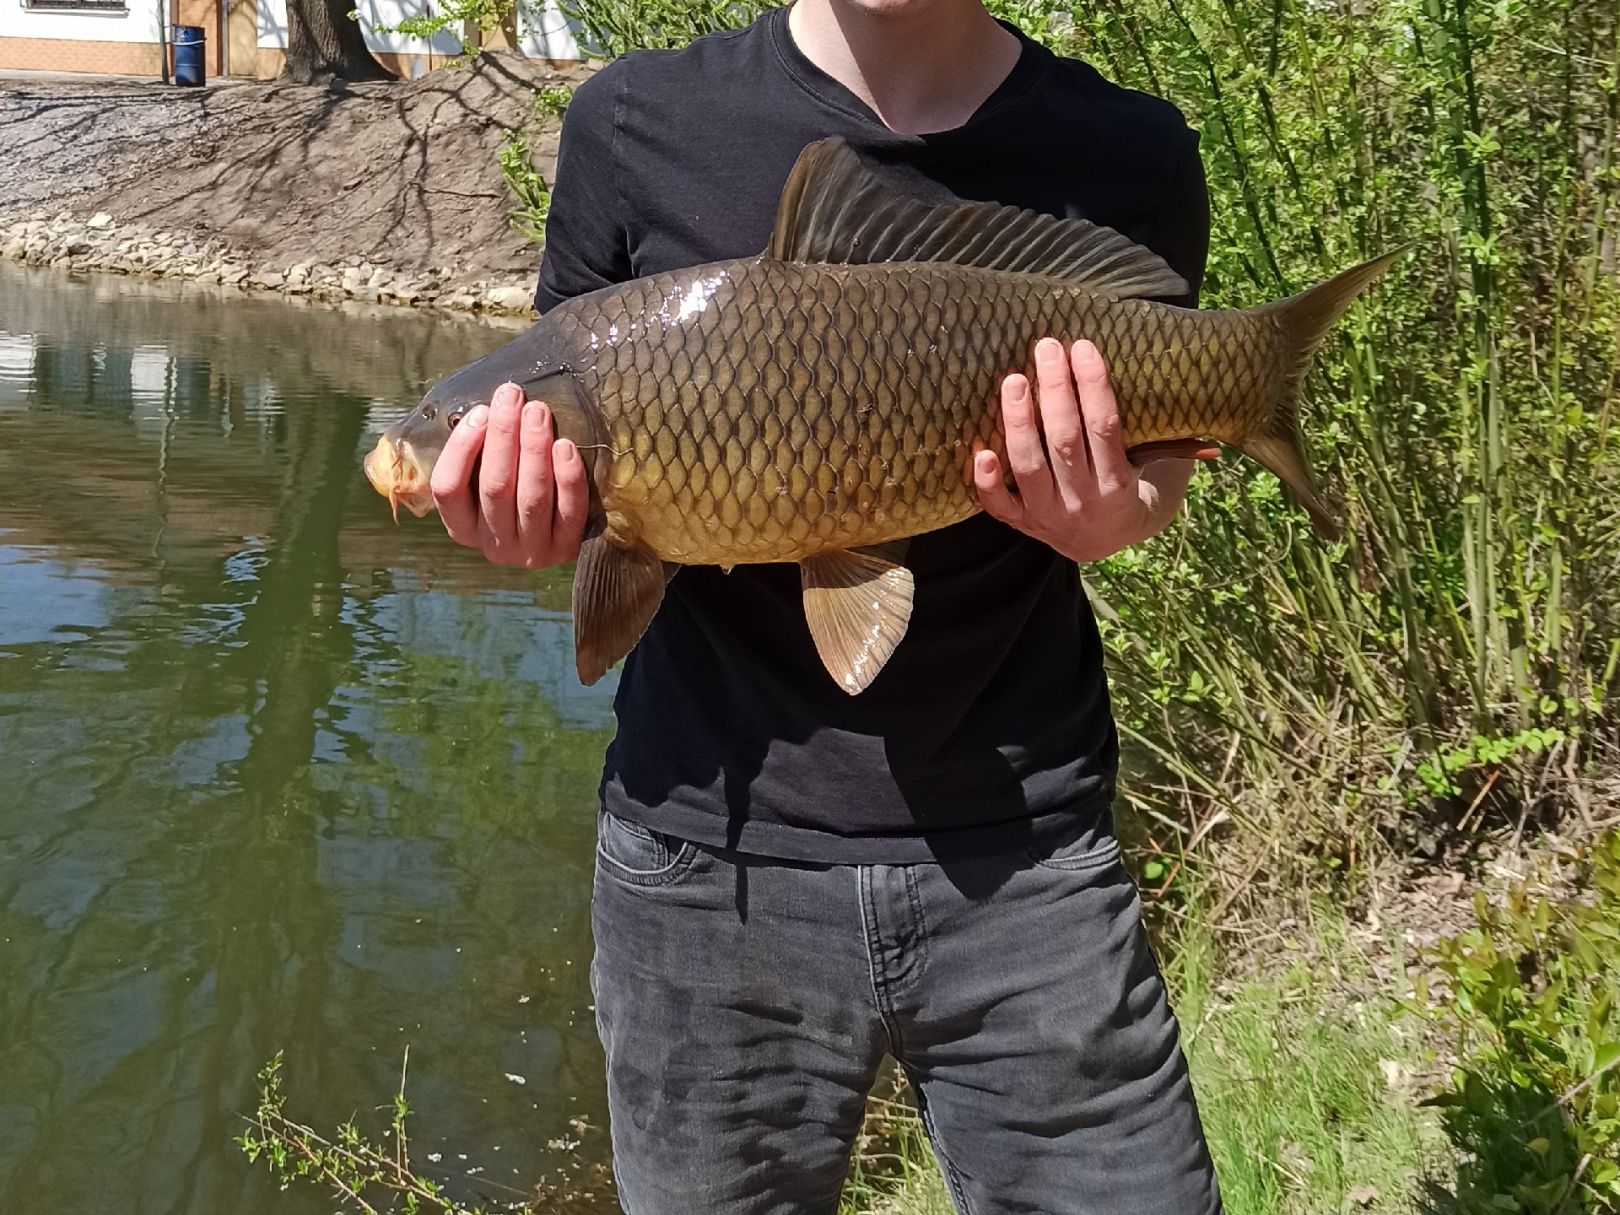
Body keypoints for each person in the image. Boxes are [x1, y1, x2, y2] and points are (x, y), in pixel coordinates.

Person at [430, 1, 1221, 1210]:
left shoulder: (1130, 153)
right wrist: (527, 525)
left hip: (1029, 857)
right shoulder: (631, 125)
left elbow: (1162, 460)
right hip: (704, 867)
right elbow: (589, 504)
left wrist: (1120, 515)